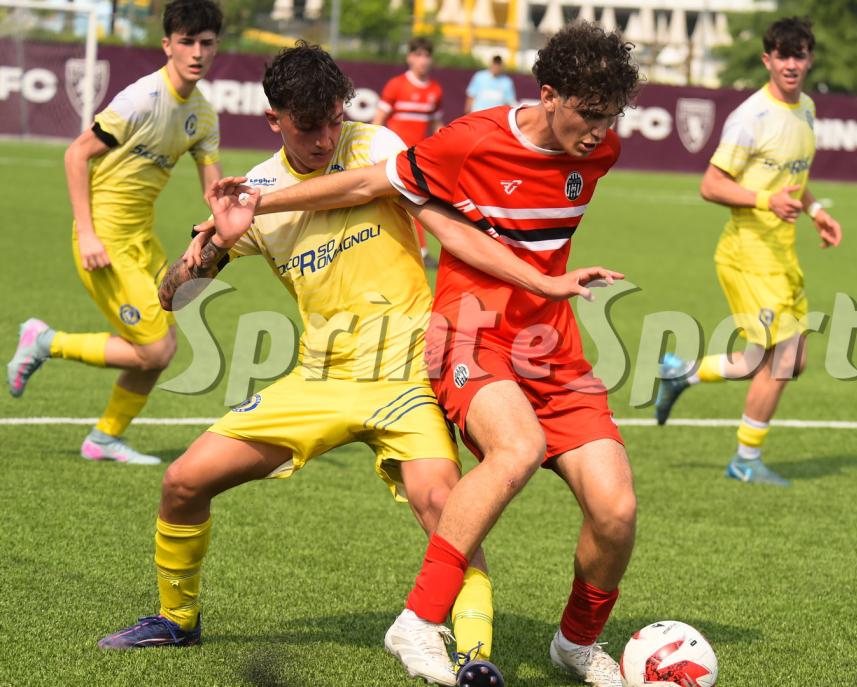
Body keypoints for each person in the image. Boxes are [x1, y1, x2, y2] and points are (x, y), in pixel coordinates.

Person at [96, 43, 615, 687]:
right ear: (274, 119)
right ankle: (177, 619)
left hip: (409, 372)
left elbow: (444, 224)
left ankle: (474, 654)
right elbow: (173, 295)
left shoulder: (375, 146)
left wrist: (536, 281)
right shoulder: (255, 191)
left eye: (334, 120)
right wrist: (210, 247)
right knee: (182, 481)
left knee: (447, 508)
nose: (324, 138)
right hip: (320, 378)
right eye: (308, 126)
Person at [6, 0, 224, 465]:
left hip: (143, 241)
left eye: (206, 43)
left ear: (215, 47)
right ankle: (45, 342)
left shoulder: (204, 115)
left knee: (161, 349)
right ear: (167, 45)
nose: (196, 52)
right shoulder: (141, 99)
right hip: (104, 238)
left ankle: (104, 438)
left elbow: (214, 192)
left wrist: (229, 218)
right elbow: (76, 153)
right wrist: (87, 234)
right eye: (186, 41)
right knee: (156, 349)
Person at [655, 17, 842, 486]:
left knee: (784, 360)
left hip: (781, 254)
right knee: (784, 358)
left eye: (799, 55)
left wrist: (816, 209)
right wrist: (765, 201)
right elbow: (711, 184)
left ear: (809, 60)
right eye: (783, 55)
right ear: (767, 60)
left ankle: (682, 374)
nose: (791, 64)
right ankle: (745, 459)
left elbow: (792, 180)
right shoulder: (751, 117)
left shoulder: (807, 109)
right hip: (748, 254)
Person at [373, 36, 444, 267]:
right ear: (409, 57)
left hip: (419, 158)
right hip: (394, 156)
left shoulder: (435, 90)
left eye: (427, 55)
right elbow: (378, 120)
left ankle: (419, 251)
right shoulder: (396, 85)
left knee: (417, 201)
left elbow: (437, 126)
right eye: (418, 55)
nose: (423, 60)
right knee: (394, 202)